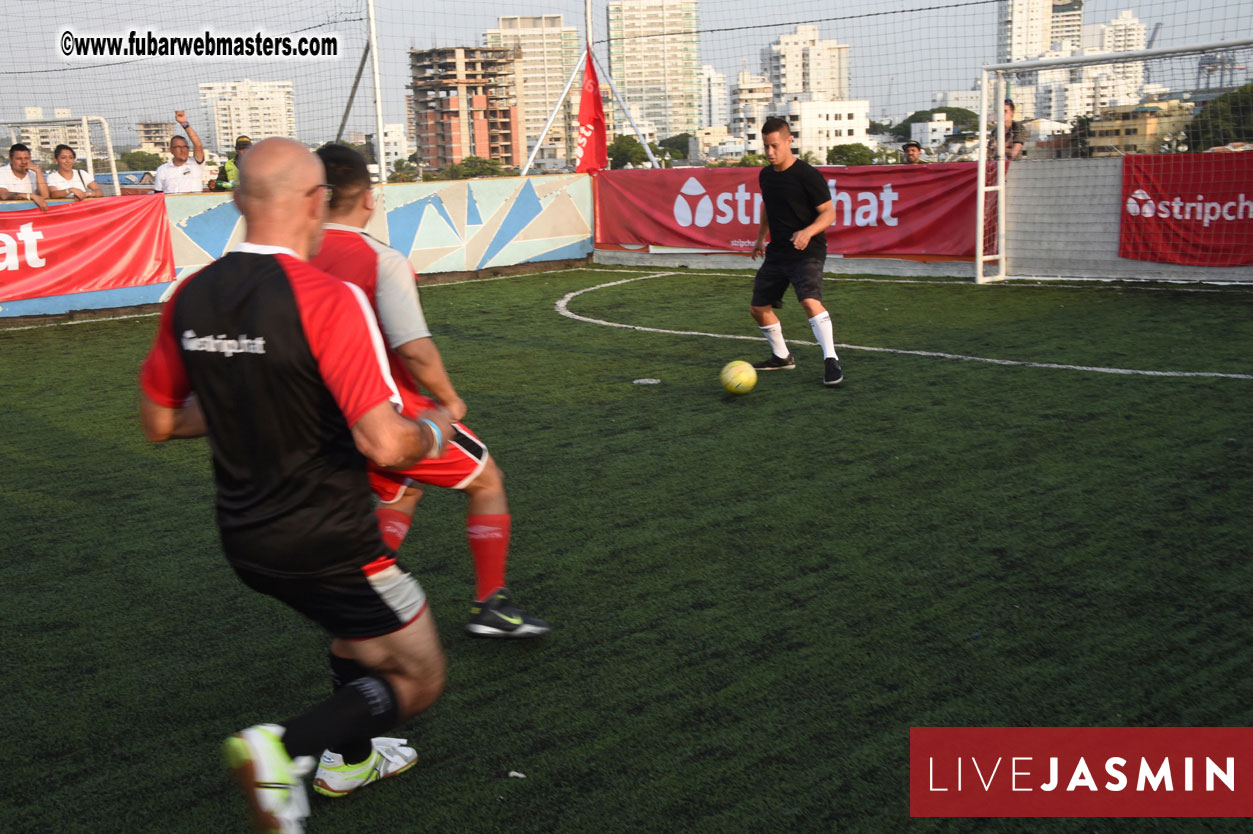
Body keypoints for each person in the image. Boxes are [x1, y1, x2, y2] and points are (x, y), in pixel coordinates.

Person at [139, 137, 455, 834]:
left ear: (234, 201)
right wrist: (437, 425)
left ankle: (353, 759)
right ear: (316, 205)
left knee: (354, 638)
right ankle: (283, 749)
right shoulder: (330, 298)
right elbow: (383, 442)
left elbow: (159, 422)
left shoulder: (189, 295)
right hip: (331, 540)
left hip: (245, 540)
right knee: (419, 677)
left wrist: (236, 398)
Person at [310, 143, 550, 639]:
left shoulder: (295, 259)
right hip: (382, 414)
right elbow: (414, 348)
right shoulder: (380, 259)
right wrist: (448, 400)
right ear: (369, 198)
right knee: (488, 480)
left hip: (316, 420)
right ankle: (491, 604)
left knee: (403, 488)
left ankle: (368, 587)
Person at [749, 117, 842, 387]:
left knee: (809, 301)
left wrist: (807, 232)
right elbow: (767, 205)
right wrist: (759, 238)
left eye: (774, 146)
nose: (769, 152)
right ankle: (781, 356)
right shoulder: (765, 175)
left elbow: (829, 214)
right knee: (758, 308)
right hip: (778, 251)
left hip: (808, 249)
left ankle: (831, 360)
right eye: (765, 146)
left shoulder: (807, 175)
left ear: (790, 141)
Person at [152, 110, 207, 194]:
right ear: (171, 150)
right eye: (178, 147)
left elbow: (198, 145)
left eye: (185, 147)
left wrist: (184, 123)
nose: (183, 150)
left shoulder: (196, 164)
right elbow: (158, 194)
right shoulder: (162, 169)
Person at [0, 143, 50, 211]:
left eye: (26, 158)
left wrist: (38, 172)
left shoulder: (33, 174)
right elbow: (4, 195)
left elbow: (45, 196)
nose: (23, 162)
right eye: (19, 159)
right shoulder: (2, 172)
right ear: (11, 160)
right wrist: (31, 196)